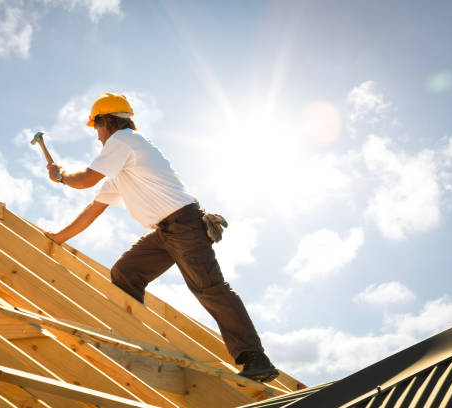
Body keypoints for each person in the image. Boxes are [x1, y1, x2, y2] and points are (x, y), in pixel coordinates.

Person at [43, 93, 279, 383]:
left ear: (106, 122)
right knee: (126, 272)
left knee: (209, 288)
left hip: (185, 225)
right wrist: (58, 238)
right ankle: (133, 338)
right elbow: (93, 209)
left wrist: (61, 176)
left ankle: (255, 358)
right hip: (166, 232)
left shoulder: (123, 141)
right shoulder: (122, 166)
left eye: (96, 128)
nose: (97, 137)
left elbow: (85, 180)